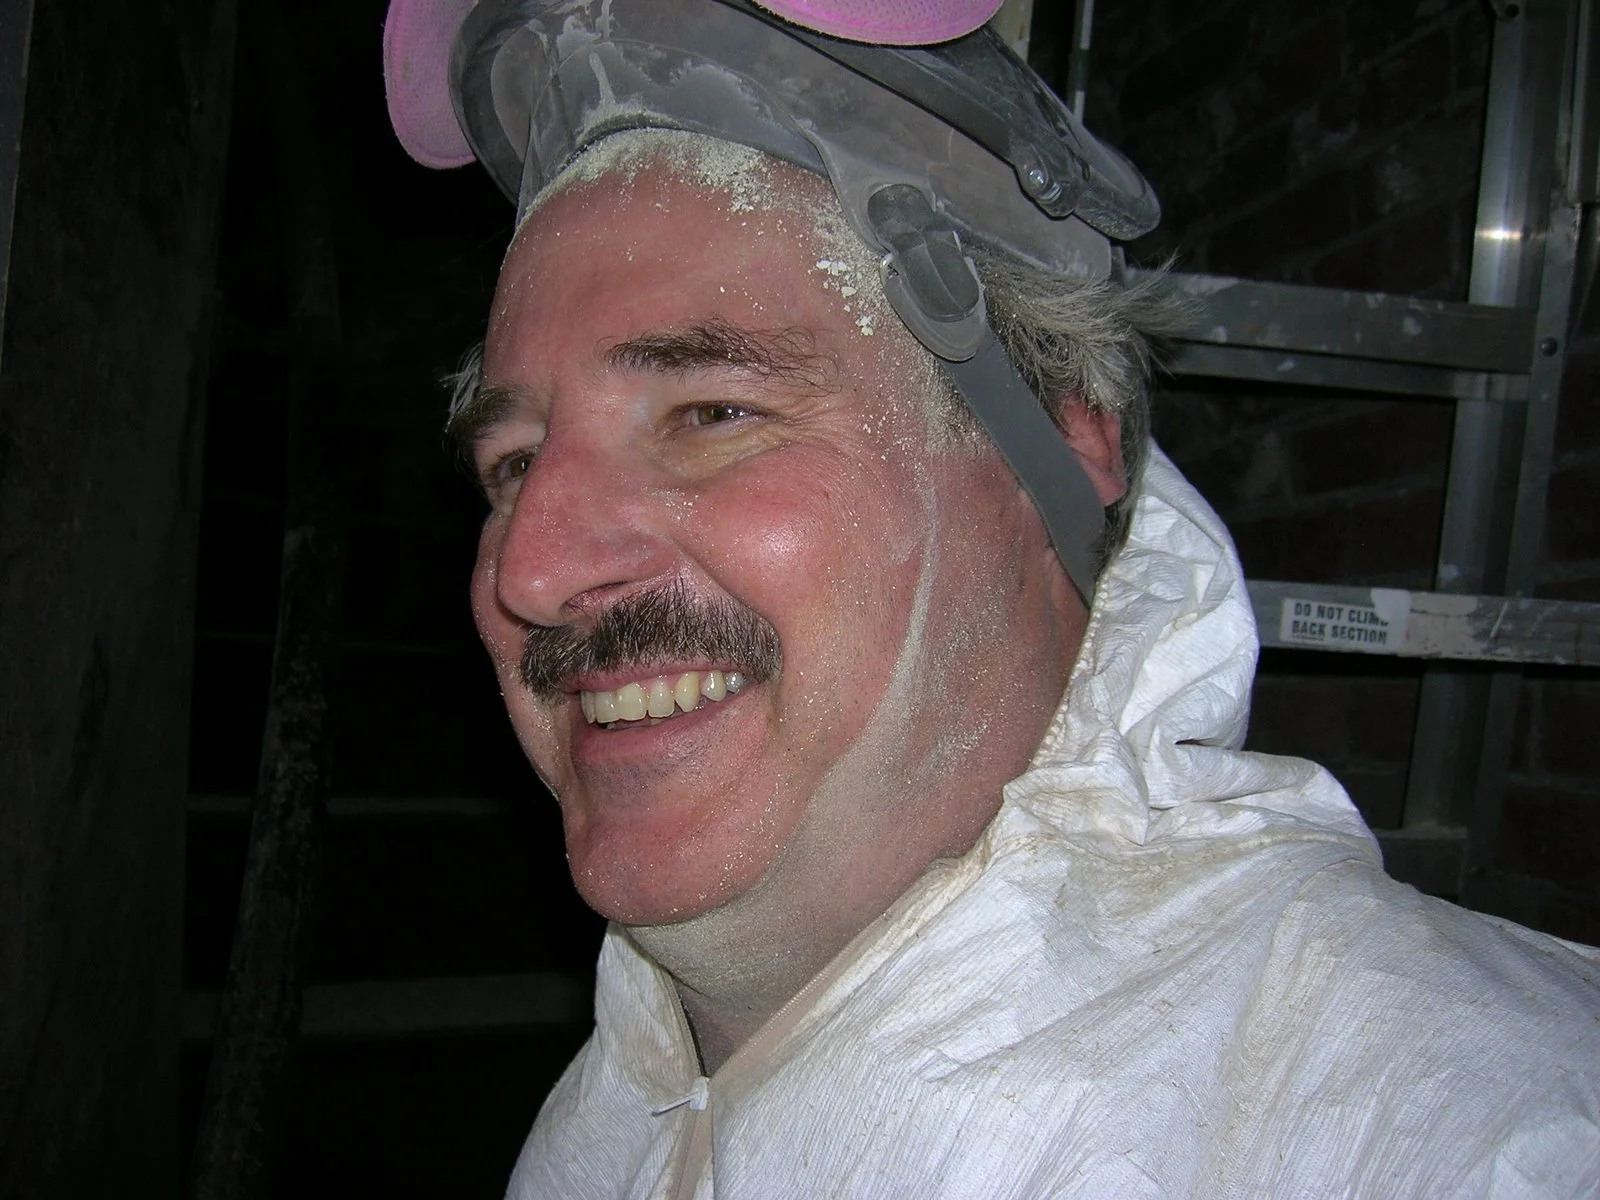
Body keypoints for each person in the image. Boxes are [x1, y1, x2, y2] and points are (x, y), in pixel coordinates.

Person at [383, 1, 1600, 1195]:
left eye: (710, 414)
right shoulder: (598, 1125)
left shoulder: (1466, 1128)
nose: (530, 571)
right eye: (513, 463)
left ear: (1060, 443)